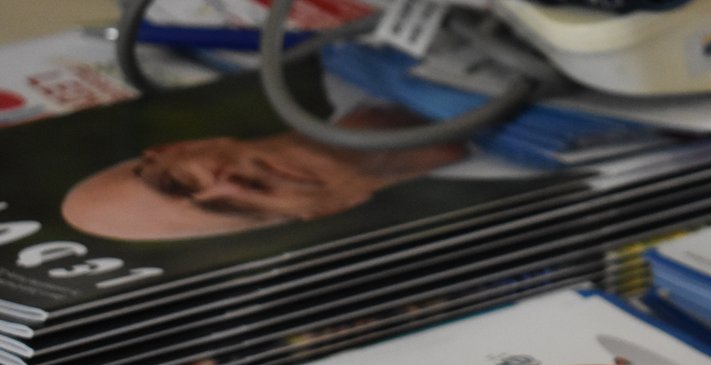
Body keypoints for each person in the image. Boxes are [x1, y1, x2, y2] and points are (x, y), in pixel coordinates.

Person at [60, 106, 466, 240]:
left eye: (179, 182)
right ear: (324, 211)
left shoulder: (352, 51)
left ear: (176, 148)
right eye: (231, 210)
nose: (230, 187)